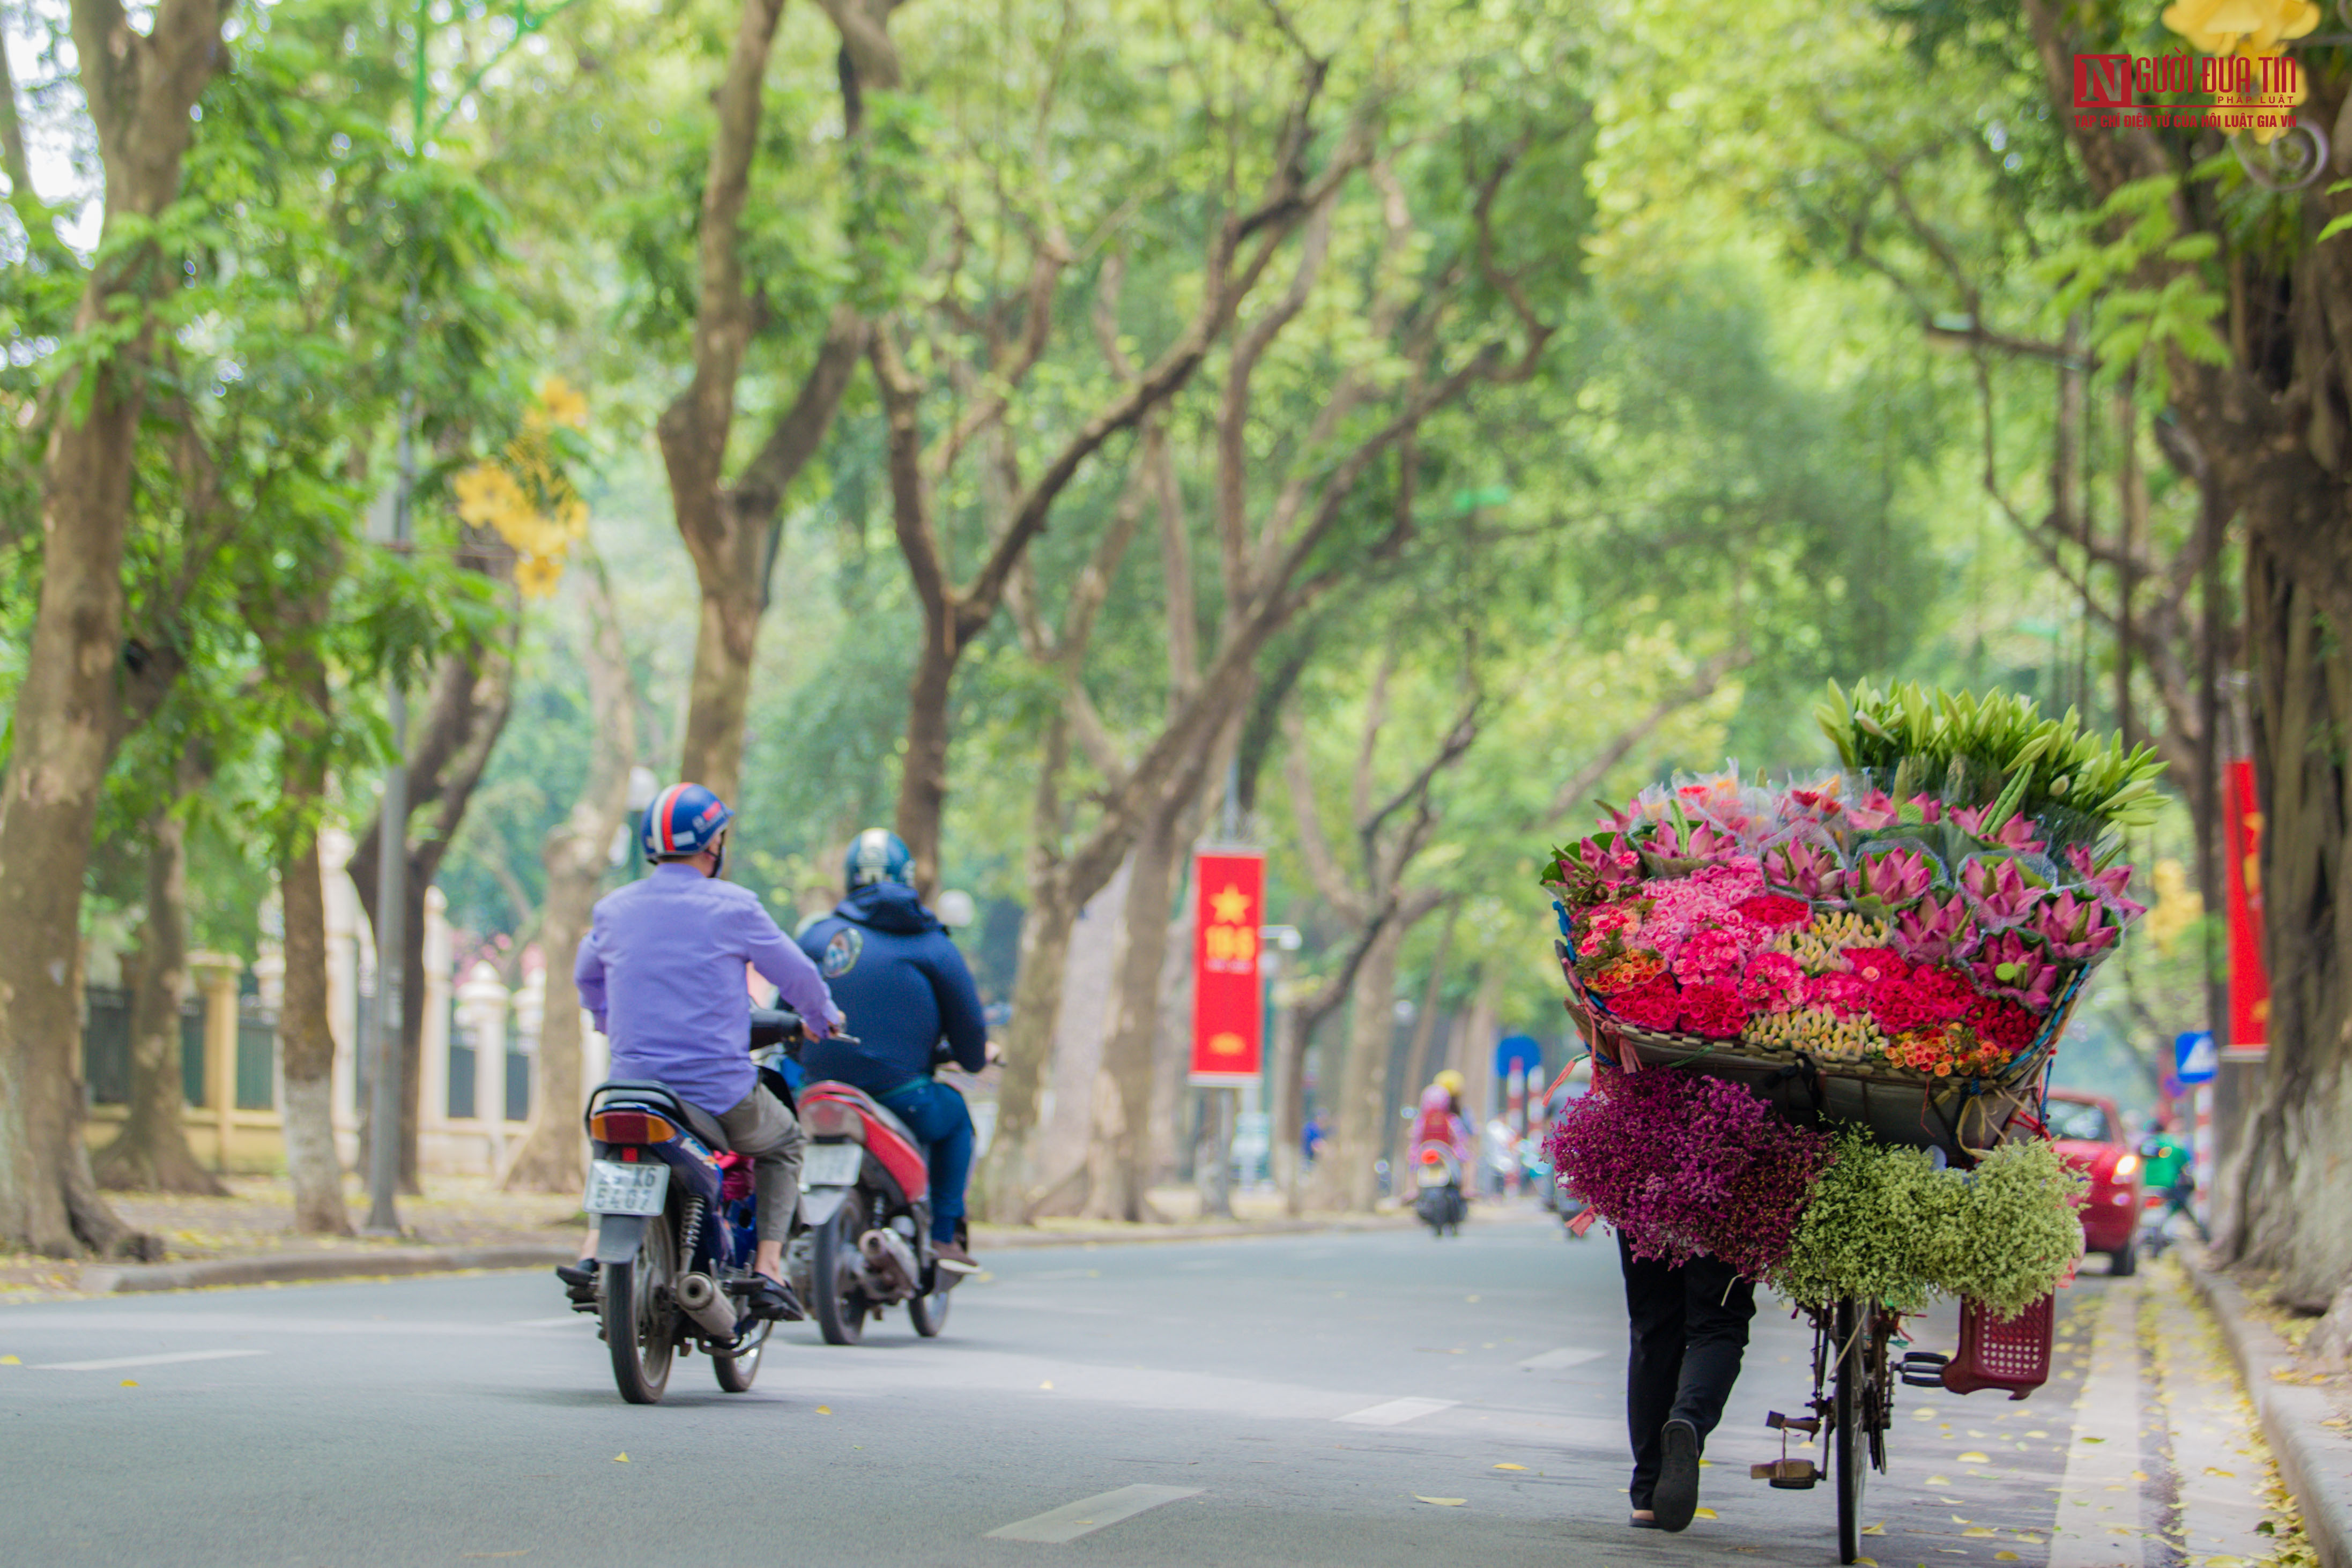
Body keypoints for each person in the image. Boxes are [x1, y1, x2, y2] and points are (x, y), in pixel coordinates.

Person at [557, 783, 842, 1320]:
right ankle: (769, 1266)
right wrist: (821, 1017)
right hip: (718, 1096)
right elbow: (797, 972)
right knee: (783, 1141)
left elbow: (586, 976)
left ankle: (594, 1246)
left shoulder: (612, 910)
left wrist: (606, 1021)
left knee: (607, 1128)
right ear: (713, 845)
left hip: (630, 1088)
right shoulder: (734, 906)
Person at [796, 829, 990, 1273]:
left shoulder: (817, 938)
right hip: (904, 1096)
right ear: (906, 878)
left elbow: (782, 1016)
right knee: (957, 1116)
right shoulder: (933, 945)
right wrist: (974, 1057)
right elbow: (971, 1033)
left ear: (847, 878)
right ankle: (943, 1236)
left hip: (818, 1090)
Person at [1621, 1236, 1756, 1532]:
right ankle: (1688, 1420)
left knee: (1654, 1327)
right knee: (1718, 1324)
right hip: (1725, 1201)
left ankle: (1649, 1494)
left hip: (1645, 1198)